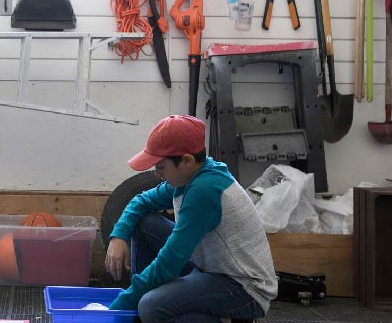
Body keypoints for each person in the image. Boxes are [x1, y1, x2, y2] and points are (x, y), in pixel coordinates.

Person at [104, 115, 277, 323]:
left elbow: (170, 261)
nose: (157, 174)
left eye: (160, 167)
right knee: (144, 223)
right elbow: (140, 201)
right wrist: (119, 236)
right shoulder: (191, 174)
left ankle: (226, 319)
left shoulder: (204, 190)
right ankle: (140, 312)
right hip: (210, 267)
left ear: (186, 160)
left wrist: (120, 306)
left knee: (150, 306)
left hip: (244, 288)